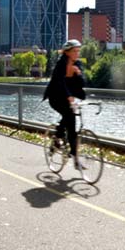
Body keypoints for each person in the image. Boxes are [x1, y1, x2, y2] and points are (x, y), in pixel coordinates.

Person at [43, 39, 87, 170]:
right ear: (67, 52)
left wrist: (78, 74)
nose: (77, 53)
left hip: (69, 97)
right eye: (74, 51)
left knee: (72, 124)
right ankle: (58, 137)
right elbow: (59, 83)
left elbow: (82, 84)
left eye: (78, 51)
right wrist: (69, 97)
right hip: (56, 97)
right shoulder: (60, 64)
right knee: (69, 115)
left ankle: (74, 156)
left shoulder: (77, 64)